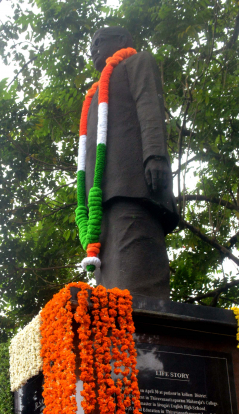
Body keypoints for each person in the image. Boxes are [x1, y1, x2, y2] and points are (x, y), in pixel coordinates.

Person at [85, 27, 179, 298]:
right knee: (110, 280)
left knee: (136, 270)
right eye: (91, 45)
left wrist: (155, 156)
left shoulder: (137, 62)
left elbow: (149, 108)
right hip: (101, 200)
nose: (94, 49)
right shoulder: (94, 95)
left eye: (100, 41)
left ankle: (148, 336)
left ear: (123, 41)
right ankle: (114, 336)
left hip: (134, 184)